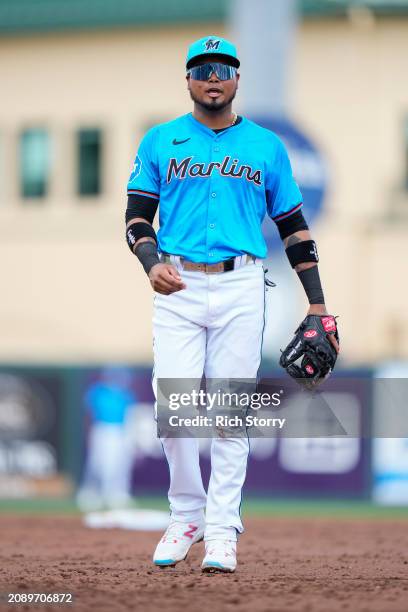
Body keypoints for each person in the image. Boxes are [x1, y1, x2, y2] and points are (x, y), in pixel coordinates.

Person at [125, 35, 339, 573]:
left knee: (229, 413)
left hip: (242, 285)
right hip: (178, 284)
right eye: (202, 68)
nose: (213, 76)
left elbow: (294, 228)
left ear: (237, 78)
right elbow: (135, 220)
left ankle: (221, 530)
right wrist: (151, 262)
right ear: (189, 79)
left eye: (223, 68)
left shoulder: (266, 147)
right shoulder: (161, 140)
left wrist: (316, 305)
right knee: (172, 412)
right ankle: (186, 513)